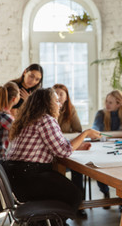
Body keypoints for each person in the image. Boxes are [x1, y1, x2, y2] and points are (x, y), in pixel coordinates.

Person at [5, 88, 101, 222]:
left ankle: (47, 222)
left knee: (62, 189)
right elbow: (64, 151)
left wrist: (76, 146)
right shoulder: (46, 120)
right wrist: (86, 134)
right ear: (46, 103)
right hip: (30, 178)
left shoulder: (26, 119)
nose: (60, 104)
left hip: (16, 179)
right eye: (56, 101)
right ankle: (54, 222)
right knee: (75, 195)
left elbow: (55, 143)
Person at [92, 90, 122, 205]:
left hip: (119, 149)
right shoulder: (101, 113)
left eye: (110, 102)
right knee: (98, 168)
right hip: (103, 149)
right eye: (106, 101)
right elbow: (95, 130)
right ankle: (105, 192)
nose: (107, 105)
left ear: (119, 104)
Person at [53, 83, 86, 218]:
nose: (59, 97)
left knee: (77, 169)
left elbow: (78, 130)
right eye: (56, 94)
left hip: (66, 147)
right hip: (57, 151)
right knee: (58, 172)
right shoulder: (50, 111)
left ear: (66, 97)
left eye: (61, 94)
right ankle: (62, 207)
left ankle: (79, 206)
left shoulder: (71, 110)